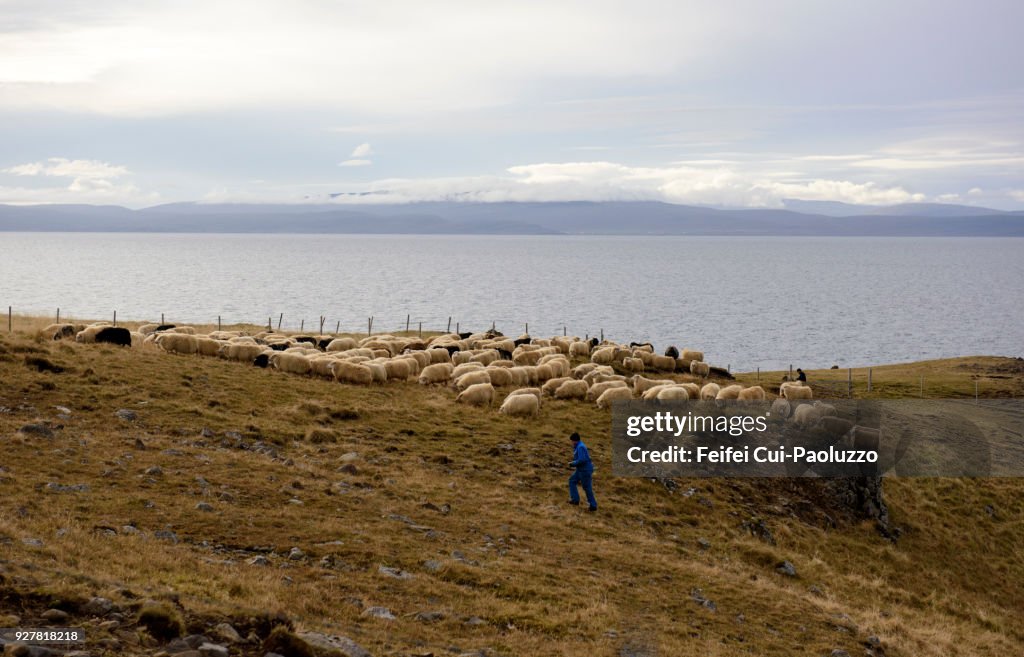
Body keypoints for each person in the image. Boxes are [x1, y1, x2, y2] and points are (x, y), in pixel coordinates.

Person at [567, 432, 597, 512]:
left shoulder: (580, 447)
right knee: (572, 480)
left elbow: (582, 460)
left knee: (587, 488)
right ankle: (575, 500)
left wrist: (573, 463)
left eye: (572, 441)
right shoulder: (579, 446)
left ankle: (593, 505)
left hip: (585, 470)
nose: (571, 443)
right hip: (580, 470)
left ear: (575, 440)